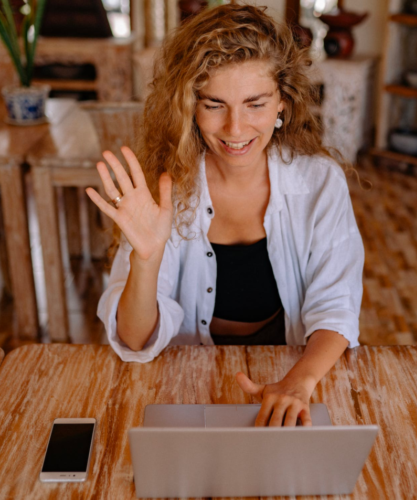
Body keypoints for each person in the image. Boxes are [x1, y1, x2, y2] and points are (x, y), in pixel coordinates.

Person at [86, 4, 364, 428]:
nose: (236, 129)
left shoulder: (319, 183)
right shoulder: (167, 188)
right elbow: (134, 339)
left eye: (255, 104)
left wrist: (298, 383)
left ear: (282, 104)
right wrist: (147, 259)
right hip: (182, 383)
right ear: (190, 108)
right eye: (214, 104)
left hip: (293, 371)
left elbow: (336, 307)